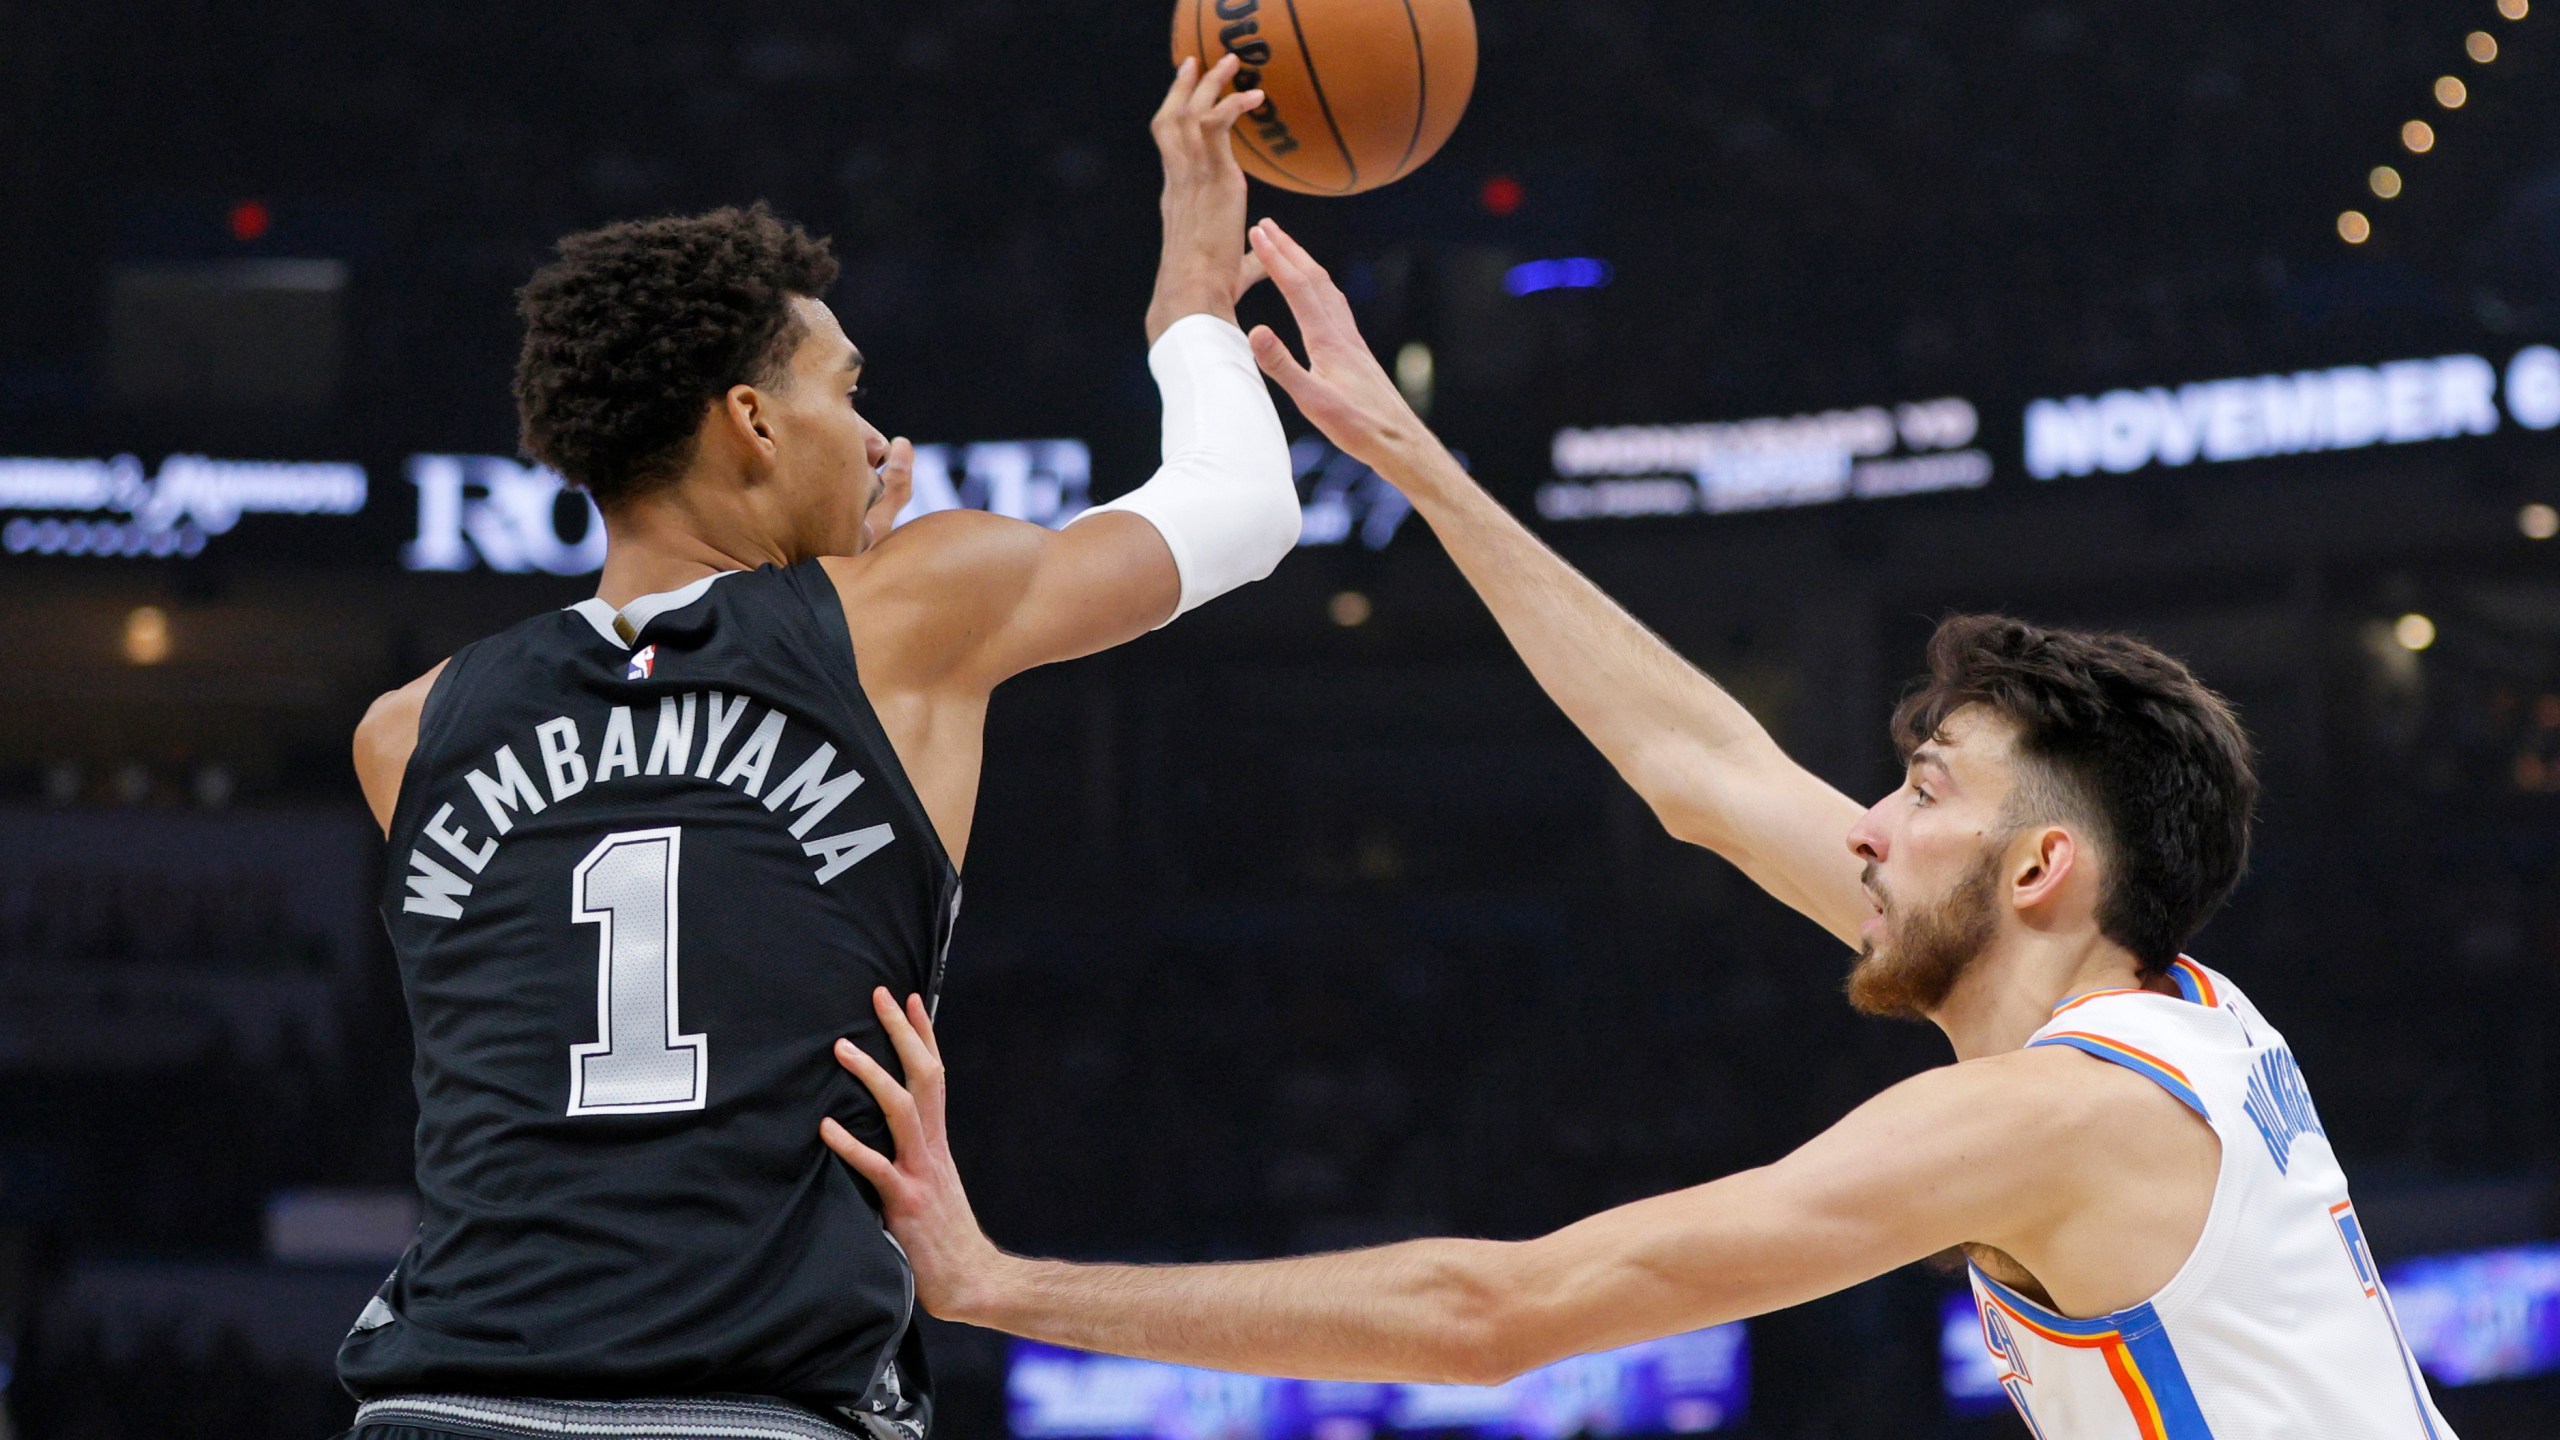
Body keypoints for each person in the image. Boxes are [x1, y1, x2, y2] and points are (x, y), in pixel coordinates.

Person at [822, 220, 2460, 1438]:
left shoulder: (2045, 1118)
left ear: (2045, 869)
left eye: (1922, 791)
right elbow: (1705, 772)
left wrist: (1004, 1288)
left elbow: (1497, 1314)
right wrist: (1411, 458)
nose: (1870, 831)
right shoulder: (2173, 1007)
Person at [339, 57, 1299, 1440]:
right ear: (751, 420)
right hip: (748, 1406)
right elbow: (1245, 508)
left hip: (443, 1406)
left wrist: (839, 562)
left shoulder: (407, 731)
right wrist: (1190, 301)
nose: (872, 433)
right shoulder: (915, 618)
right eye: (846, 392)